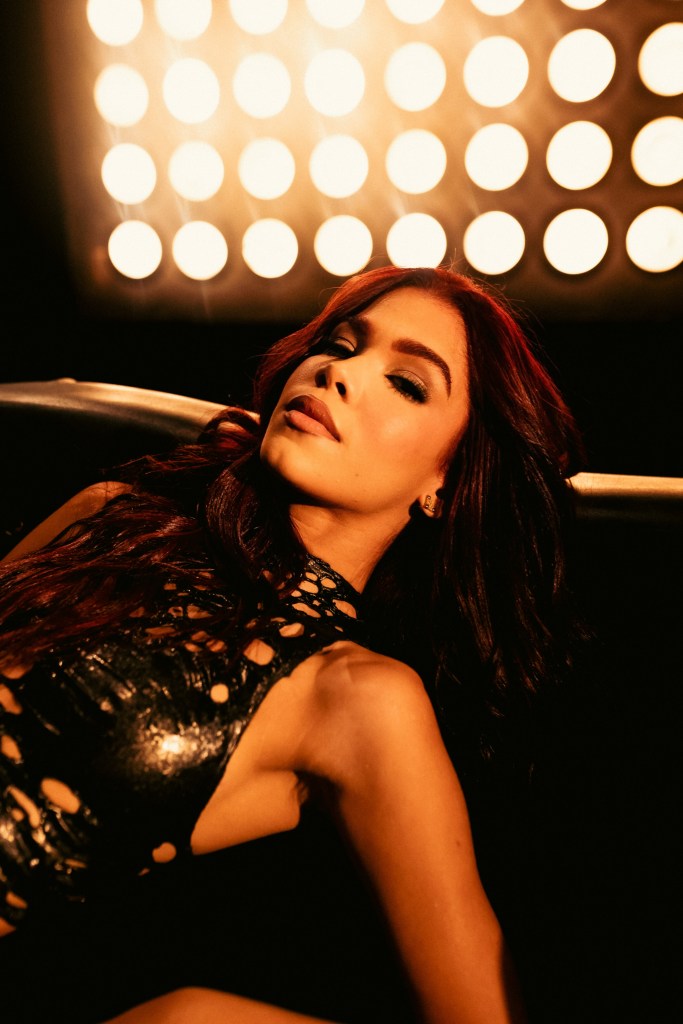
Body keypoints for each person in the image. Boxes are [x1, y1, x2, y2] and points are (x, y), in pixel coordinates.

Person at [0, 265, 584, 1024]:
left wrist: (193, 1018)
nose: (339, 372)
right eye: (339, 344)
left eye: (406, 384)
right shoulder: (109, 515)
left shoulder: (357, 698)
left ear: (446, 481)